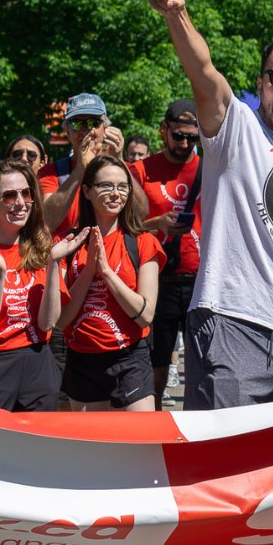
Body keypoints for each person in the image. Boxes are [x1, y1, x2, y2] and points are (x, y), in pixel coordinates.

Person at [149, 0, 273, 408]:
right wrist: (176, 15)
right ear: (261, 83)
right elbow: (204, 74)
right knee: (222, 468)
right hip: (229, 321)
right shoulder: (237, 128)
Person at [0, 159, 81, 411]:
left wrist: (54, 263)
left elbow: (47, 323)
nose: (21, 203)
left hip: (38, 363)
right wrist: (0, 274)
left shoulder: (45, 250)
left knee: (38, 447)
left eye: (26, 193)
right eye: (9, 196)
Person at [58, 156, 166, 411]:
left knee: (140, 446)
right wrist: (88, 273)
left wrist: (106, 271)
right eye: (106, 186)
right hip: (82, 359)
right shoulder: (68, 244)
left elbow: (145, 314)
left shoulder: (143, 243)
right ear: (86, 191)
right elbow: (61, 321)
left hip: (130, 359)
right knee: (94, 448)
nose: (116, 193)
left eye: (122, 186)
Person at [130, 99, 203, 409]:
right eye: (178, 135)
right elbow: (125, 228)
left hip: (202, 281)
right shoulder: (139, 170)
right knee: (157, 366)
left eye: (192, 137)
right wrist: (155, 224)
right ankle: (155, 429)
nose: (184, 143)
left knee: (201, 367)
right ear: (163, 131)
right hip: (157, 281)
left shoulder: (208, 168)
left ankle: (197, 433)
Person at [39, 92, 127, 236]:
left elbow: (140, 214)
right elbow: (48, 221)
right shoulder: (50, 172)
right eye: (77, 124)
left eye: (93, 123)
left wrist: (119, 160)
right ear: (67, 131)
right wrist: (80, 169)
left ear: (105, 128)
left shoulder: (121, 168)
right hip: (65, 256)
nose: (86, 130)